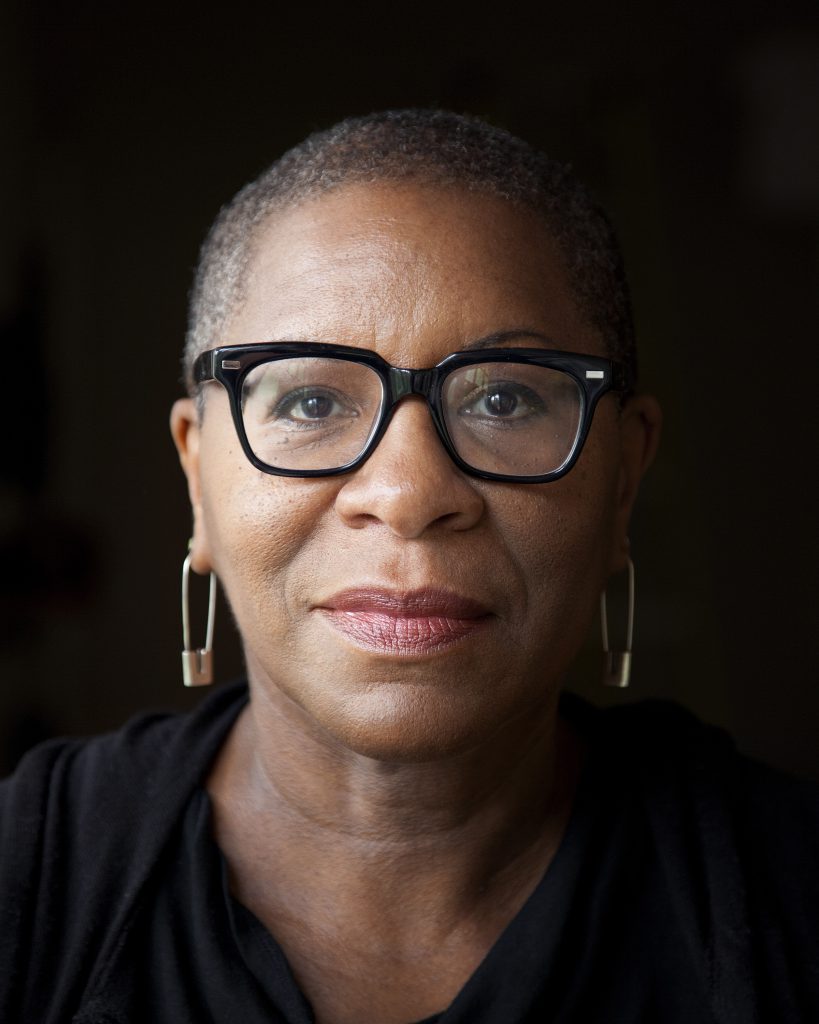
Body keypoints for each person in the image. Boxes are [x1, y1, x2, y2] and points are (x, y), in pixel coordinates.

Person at [0, 110, 817, 1024]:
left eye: (503, 398)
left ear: (622, 476)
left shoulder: (790, 903)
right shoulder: (25, 886)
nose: (407, 491)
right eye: (310, 399)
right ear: (199, 477)